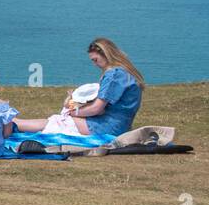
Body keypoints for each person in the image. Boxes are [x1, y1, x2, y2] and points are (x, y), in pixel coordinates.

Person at [15, 38, 145, 137]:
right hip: (122, 125)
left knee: (56, 122)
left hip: (108, 127)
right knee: (57, 121)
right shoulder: (126, 73)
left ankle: (14, 123)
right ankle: (15, 122)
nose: (95, 64)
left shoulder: (114, 75)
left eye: (95, 60)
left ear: (106, 54)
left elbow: (97, 108)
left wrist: (73, 112)